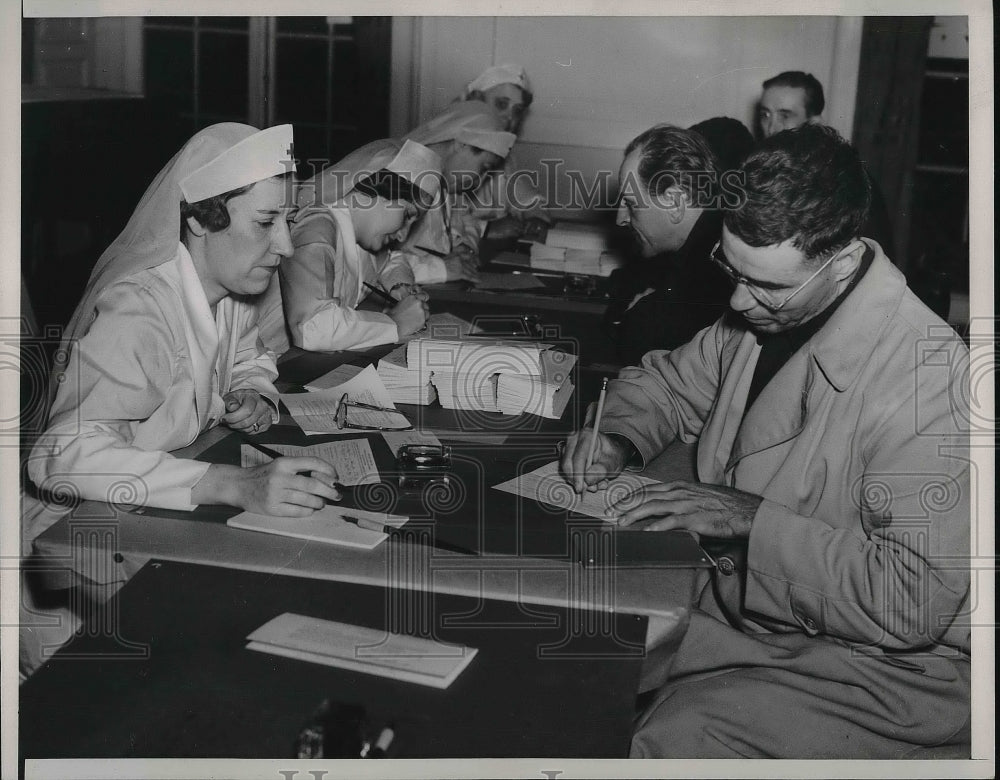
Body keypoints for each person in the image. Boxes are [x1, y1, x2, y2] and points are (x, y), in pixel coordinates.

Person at [561, 124, 970, 758]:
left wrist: (751, 519)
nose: (737, 300)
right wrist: (617, 437)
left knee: (673, 740)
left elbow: (910, 599)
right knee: (565, 646)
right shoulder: (766, 312)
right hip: (756, 616)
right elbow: (668, 384)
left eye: (767, 285)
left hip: (886, 668)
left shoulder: (928, 377)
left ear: (842, 264)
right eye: (730, 268)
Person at [28, 123, 343, 518]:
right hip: (81, 528)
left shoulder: (234, 293)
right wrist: (233, 483)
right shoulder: (138, 311)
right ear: (199, 220)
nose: (286, 246)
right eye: (265, 223)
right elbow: (60, 453)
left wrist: (253, 394)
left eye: (289, 221)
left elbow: (250, 357)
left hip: (163, 505)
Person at [255, 138, 438, 354]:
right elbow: (313, 328)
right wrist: (394, 323)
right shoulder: (316, 228)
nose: (402, 234)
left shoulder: (358, 235)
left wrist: (400, 286)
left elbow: (392, 260)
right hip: (265, 368)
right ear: (373, 189)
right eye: (407, 215)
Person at [603, 124, 738, 365]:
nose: (620, 219)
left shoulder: (712, 274)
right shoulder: (709, 237)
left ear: (675, 203)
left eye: (631, 205)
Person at [758, 70, 896, 259]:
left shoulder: (847, 181)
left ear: (813, 123)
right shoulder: (760, 173)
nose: (771, 128)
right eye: (765, 115)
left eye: (785, 116)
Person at [401, 101, 517, 284]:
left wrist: (461, 248)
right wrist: (439, 268)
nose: (481, 177)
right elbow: (376, 264)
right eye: (484, 167)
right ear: (461, 145)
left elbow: (460, 225)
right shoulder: (405, 178)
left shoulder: (445, 180)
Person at [458, 62, 549, 238]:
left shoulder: (504, 158)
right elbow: (440, 223)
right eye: (501, 104)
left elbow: (523, 196)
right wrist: (486, 229)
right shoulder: (454, 150)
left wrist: (534, 216)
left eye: (517, 111)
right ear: (476, 102)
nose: (509, 117)